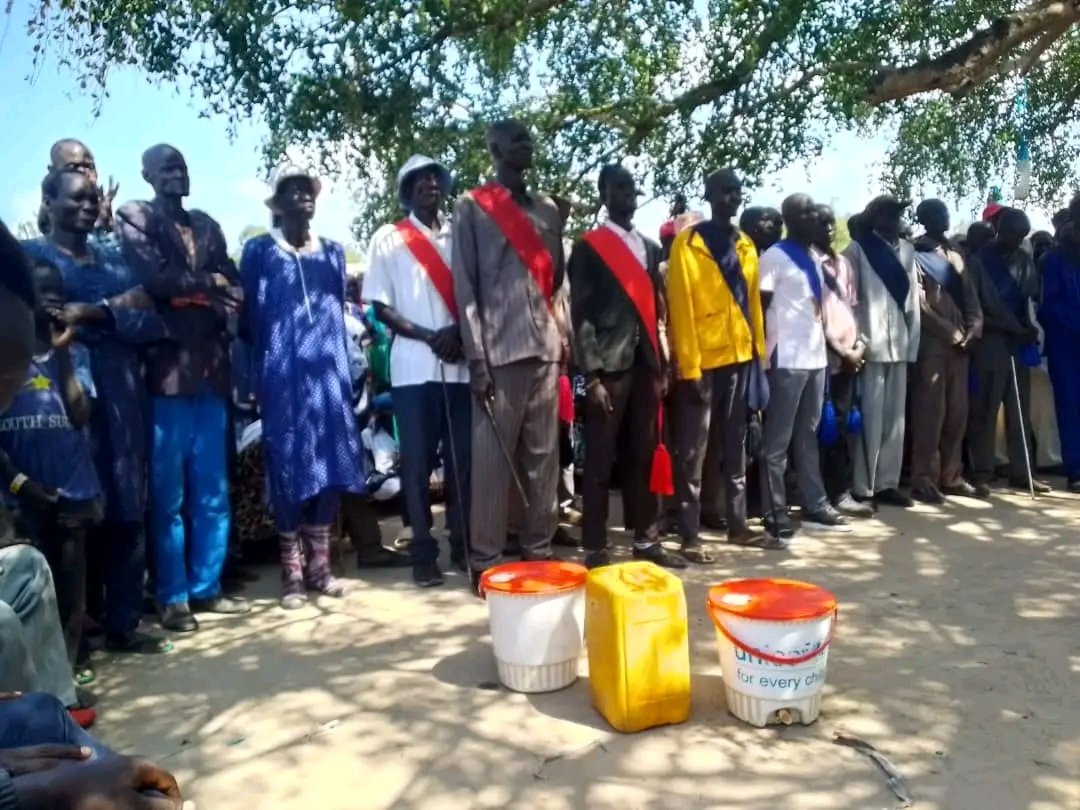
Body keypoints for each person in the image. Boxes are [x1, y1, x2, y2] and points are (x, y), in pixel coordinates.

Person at [24, 168, 170, 655]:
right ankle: (73, 639)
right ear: (49, 200)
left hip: (122, 393)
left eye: (93, 199)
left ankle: (125, 622)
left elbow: (149, 318)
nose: (89, 205)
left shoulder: (114, 257)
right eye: (77, 198)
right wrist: (113, 311)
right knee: (72, 517)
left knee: (129, 505)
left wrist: (92, 312)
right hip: (57, 404)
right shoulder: (31, 259)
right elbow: (37, 319)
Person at [117, 144, 249, 632]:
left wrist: (198, 289)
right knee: (168, 497)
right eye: (167, 167)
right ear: (147, 174)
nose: (178, 173)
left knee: (212, 492)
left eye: (183, 166)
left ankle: (206, 587)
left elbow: (233, 286)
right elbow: (154, 279)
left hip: (211, 374)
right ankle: (172, 596)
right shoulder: (135, 216)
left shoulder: (209, 225)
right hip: (167, 377)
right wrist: (203, 285)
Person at [239, 166, 364, 608]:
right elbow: (249, 321)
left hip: (329, 375)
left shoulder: (332, 253)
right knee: (288, 467)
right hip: (283, 376)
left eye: (307, 189)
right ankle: (291, 569)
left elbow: (338, 315)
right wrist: (267, 367)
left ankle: (319, 565)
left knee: (332, 465)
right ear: (277, 203)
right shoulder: (259, 252)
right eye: (291, 191)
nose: (302, 196)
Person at [451, 119, 565, 583]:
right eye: (517, 138)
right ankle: (488, 562)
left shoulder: (548, 210)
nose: (527, 143)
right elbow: (466, 286)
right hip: (497, 353)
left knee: (544, 459)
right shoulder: (471, 207)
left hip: (545, 347)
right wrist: (476, 357)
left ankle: (538, 550)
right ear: (495, 148)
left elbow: (554, 280)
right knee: (493, 465)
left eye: (529, 136)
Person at [0, 220, 95, 727]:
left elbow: (80, 412)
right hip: (23, 496)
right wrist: (20, 485)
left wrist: (61, 357)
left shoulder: (64, 356)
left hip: (66, 489)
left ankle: (57, 708)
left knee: (41, 576)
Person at [568, 164, 685, 570]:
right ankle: (596, 546)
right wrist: (591, 376)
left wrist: (663, 365)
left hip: (645, 364)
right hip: (608, 368)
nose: (627, 194)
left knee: (643, 456)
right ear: (603, 195)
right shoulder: (589, 246)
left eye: (632, 187)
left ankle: (646, 539)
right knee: (600, 460)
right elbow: (580, 316)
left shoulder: (650, 248)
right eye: (618, 188)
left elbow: (656, 314)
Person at [364, 155, 472, 588]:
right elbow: (381, 307)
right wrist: (432, 336)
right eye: (418, 180)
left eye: (434, 178)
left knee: (463, 462)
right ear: (406, 190)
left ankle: (464, 546)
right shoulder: (388, 238)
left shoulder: (461, 234)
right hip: (413, 367)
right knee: (417, 464)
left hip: (460, 364)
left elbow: (477, 294)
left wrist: (458, 333)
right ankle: (423, 552)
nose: (429, 184)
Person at [667, 169, 768, 553]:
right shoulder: (688, 243)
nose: (732, 197)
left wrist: (757, 355)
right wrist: (689, 366)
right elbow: (680, 306)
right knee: (693, 449)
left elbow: (753, 304)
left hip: (740, 357)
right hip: (703, 361)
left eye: (737, 191)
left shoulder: (745, 244)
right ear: (709, 195)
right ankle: (690, 534)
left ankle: (738, 524)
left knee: (735, 443)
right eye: (725, 191)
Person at [758, 195, 849, 538]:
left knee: (807, 435)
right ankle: (774, 511)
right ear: (792, 219)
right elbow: (761, 307)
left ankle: (816, 503)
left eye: (815, 211)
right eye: (807, 213)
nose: (816, 218)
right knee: (777, 440)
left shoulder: (812, 257)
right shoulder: (775, 257)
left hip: (814, 359)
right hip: (786, 358)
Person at [843, 196, 921, 507]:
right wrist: (855, 345)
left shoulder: (908, 250)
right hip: (870, 345)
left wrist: (912, 347)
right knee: (871, 421)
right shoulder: (858, 250)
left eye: (899, 214)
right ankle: (864, 486)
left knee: (894, 421)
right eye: (889, 214)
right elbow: (849, 302)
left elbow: (913, 302)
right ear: (875, 217)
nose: (896, 219)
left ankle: (888, 483)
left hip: (899, 344)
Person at [966, 208, 1050, 493]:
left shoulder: (1025, 260)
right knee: (986, 407)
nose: (1019, 240)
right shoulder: (978, 263)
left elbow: (1024, 303)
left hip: (1017, 343)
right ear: (1001, 230)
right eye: (1015, 234)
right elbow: (973, 310)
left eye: (1023, 236)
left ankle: (1022, 470)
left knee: (1019, 408)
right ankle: (982, 471)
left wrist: (1027, 330)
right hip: (990, 343)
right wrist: (1007, 327)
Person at [909, 200, 985, 502]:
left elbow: (970, 295)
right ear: (923, 219)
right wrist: (950, 332)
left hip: (963, 345)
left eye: (944, 212)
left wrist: (975, 326)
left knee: (957, 413)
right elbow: (920, 305)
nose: (943, 217)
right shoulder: (915, 253)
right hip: (933, 343)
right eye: (936, 213)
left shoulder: (955, 252)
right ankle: (923, 477)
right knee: (930, 414)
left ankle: (952, 475)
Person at [812, 205, 873, 518]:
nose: (828, 229)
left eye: (831, 223)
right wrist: (840, 351)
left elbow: (851, 308)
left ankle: (842, 491)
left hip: (850, 357)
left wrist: (859, 344)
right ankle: (824, 494)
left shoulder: (844, 264)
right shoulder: (809, 263)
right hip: (823, 358)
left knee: (845, 426)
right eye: (821, 223)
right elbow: (815, 317)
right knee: (823, 429)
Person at [1040, 199, 1080, 492]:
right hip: (1065, 343)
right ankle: (1076, 470)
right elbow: (1047, 307)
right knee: (1069, 405)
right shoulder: (1055, 258)